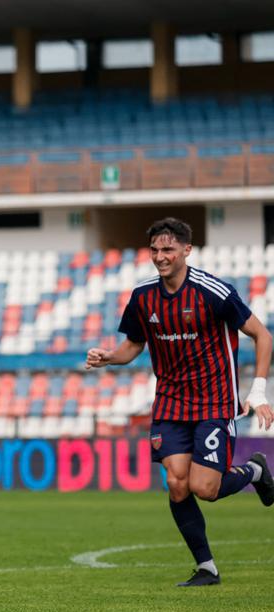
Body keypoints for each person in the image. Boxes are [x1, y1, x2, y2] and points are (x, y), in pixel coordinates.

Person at [87, 217, 274, 587]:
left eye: (168, 249)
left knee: (206, 488)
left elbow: (262, 335)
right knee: (177, 485)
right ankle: (207, 567)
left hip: (214, 402)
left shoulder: (212, 291)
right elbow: (134, 345)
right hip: (171, 404)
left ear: (186, 250)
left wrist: (259, 390)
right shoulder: (143, 297)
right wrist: (108, 356)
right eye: (155, 249)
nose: (160, 256)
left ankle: (254, 471)